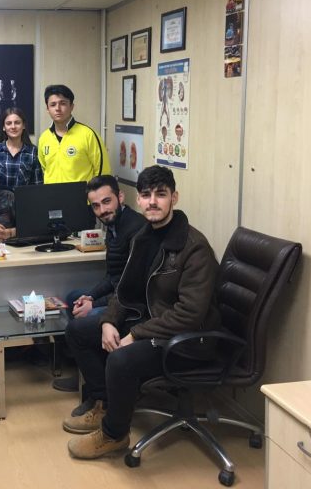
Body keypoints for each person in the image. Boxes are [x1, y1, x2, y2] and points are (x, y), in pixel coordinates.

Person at [63, 165, 220, 460]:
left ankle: (114, 435)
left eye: (161, 194)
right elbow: (125, 289)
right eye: (146, 195)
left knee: (121, 359)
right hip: (154, 323)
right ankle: (106, 406)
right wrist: (109, 321)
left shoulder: (193, 248)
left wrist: (135, 334)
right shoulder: (144, 237)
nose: (152, 202)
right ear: (137, 200)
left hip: (187, 340)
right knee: (78, 331)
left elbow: (190, 314)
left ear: (174, 197)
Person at [52, 175, 146, 393]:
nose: (102, 210)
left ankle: (101, 386)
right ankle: (87, 371)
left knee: (84, 320)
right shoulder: (113, 226)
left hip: (133, 305)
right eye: (96, 206)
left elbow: (130, 288)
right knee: (74, 298)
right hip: (119, 293)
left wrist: (94, 305)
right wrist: (91, 297)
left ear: (120, 197)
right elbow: (112, 276)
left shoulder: (135, 230)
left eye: (106, 202)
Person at [38, 84, 111, 184]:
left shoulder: (88, 135)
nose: (57, 108)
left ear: (71, 106)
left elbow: (103, 173)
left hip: (81, 194)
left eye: (63, 103)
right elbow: (44, 170)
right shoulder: (44, 138)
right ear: (47, 109)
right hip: (51, 194)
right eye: (53, 104)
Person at [0, 107, 42, 190]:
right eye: (9, 123)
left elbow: (37, 185)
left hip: (24, 198)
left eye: (17, 123)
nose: (13, 126)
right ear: (4, 127)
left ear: (23, 126)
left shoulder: (33, 152)